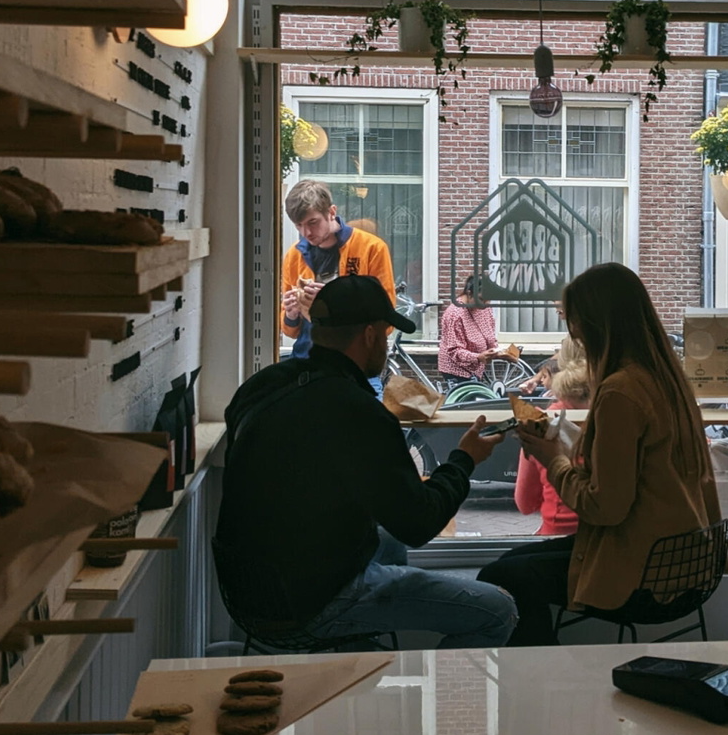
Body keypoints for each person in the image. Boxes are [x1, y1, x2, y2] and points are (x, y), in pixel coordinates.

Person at [214, 275, 517, 649]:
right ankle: (409, 683)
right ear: (371, 335)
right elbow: (419, 522)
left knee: (387, 543)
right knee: (497, 610)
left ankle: (355, 645)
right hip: (310, 602)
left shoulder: (263, 385)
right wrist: (464, 460)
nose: (387, 345)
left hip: (243, 588)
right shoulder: (359, 413)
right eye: (387, 334)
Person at [477, 264, 723, 646]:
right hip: (688, 562)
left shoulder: (619, 392)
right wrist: (572, 440)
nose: (573, 334)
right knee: (508, 565)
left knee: (499, 577)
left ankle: (540, 683)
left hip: (646, 575)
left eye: (574, 324)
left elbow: (605, 508)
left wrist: (551, 457)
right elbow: (640, 467)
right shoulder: (668, 379)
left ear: (595, 325)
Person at [280, 179, 395, 361]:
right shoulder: (294, 256)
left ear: (331, 212)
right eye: (299, 226)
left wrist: (332, 304)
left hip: (356, 363)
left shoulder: (371, 248)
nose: (306, 232)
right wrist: (291, 313)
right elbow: (289, 331)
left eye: (313, 222)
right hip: (307, 360)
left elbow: (387, 321)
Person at [513, 339, 590, 536]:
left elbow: (525, 503)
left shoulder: (541, 422)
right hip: (611, 541)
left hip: (559, 535)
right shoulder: (621, 413)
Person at [438, 275, 501, 387]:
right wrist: (477, 357)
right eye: (481, 299)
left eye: (488, 300)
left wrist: (499, 352)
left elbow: (490, 333)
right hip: (456, 370)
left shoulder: (484, 307)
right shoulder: (455, 314)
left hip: (476, 368)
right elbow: (454, 350)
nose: (485, 304)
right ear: (469, 293)